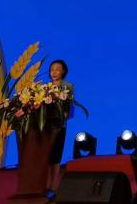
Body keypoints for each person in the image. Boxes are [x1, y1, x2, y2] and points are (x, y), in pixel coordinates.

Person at [46, 60, 74, 195]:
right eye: (52, 69)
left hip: (60, 126)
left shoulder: (68, 86)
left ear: (63, 71)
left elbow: (69, 106)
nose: (54, 72)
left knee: (56, 156)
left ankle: (53, 185)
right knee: (47, 156)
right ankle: (45, 184)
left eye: (57, 69)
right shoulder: (45, 87)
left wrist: (64, 116)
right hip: (46, 126)